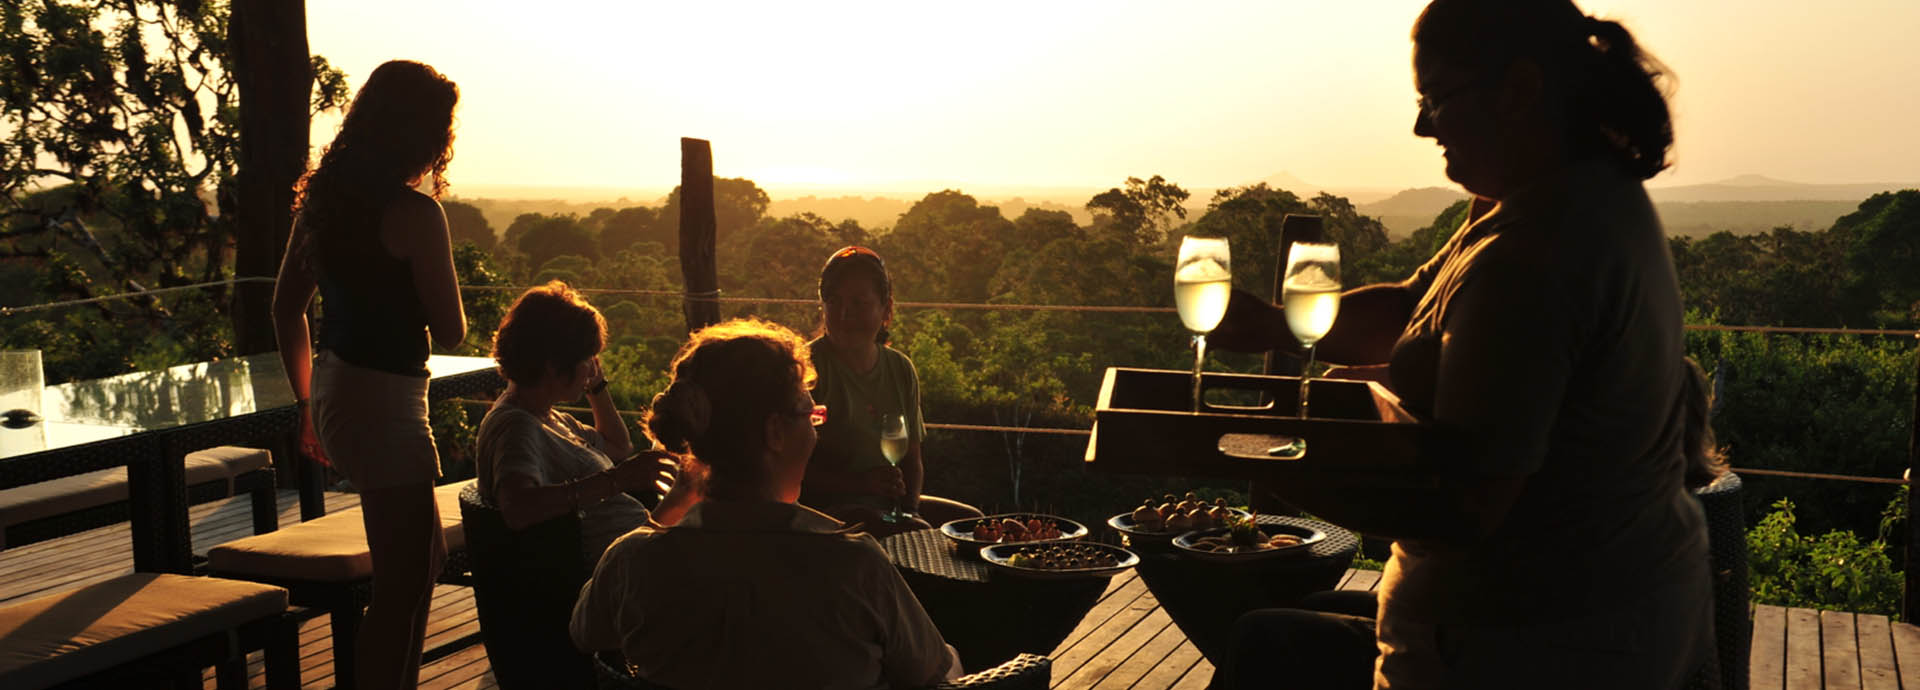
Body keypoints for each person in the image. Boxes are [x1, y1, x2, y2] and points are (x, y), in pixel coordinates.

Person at [1211, 1, 1716, 687]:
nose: (1422, 127)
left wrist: (1248, 454)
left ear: (1519, 89)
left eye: (1436, 99)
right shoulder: (1545, 197)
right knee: (1272, 638)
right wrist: (1277, 326)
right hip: (1588, 612)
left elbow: (1463, 508)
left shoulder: (1539, 254)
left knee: (1269, 645)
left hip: (1536, 643)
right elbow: (1411, 307)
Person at [569, 318, 962, 689]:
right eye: (810, 415)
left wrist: (671, 506)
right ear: (775, 432)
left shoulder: (634, 562)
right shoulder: (854, 566)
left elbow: (585, 633)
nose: (814, 429)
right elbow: (932, 674)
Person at [271, 59, 464, 690]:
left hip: (338, 387)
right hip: (384, 400)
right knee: (401, 584)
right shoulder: (416, 214)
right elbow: (453, 329)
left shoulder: (324, 205)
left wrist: (307, 405)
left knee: (424, 562)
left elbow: (286, 309)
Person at [474, 281, 700, 566]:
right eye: (588, 359)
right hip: (620, 568)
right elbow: (518, 508)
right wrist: (617, 481)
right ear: (553, 366)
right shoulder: (517, 428)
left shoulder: (548, 418)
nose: (594, 368)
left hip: (635, 551)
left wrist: (596, 387)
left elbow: (618, 446)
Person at [801, 246, 982, 535]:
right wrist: (860, 485)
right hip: (826, 514)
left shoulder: (900, 369)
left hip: (886, 505)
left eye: (859, 303)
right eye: (834, 301)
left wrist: (910, 511)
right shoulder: (805, 369)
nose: (844, 314)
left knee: (972, 523)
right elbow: (787, 471)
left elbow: (912, 461)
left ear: (886, 309)